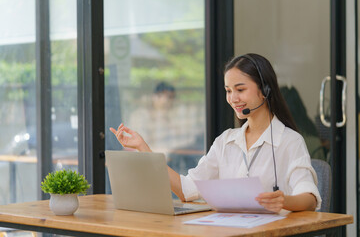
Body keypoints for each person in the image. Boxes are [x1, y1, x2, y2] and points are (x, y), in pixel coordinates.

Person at [110, 53, 321, 213]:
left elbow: (309, 198)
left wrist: (284, 201)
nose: (233, 98)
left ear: (265, 89)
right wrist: (143, 148)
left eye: (240, 89)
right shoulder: (226, 141)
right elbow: (185, 190)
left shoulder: (290, 141)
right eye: (228, 91)